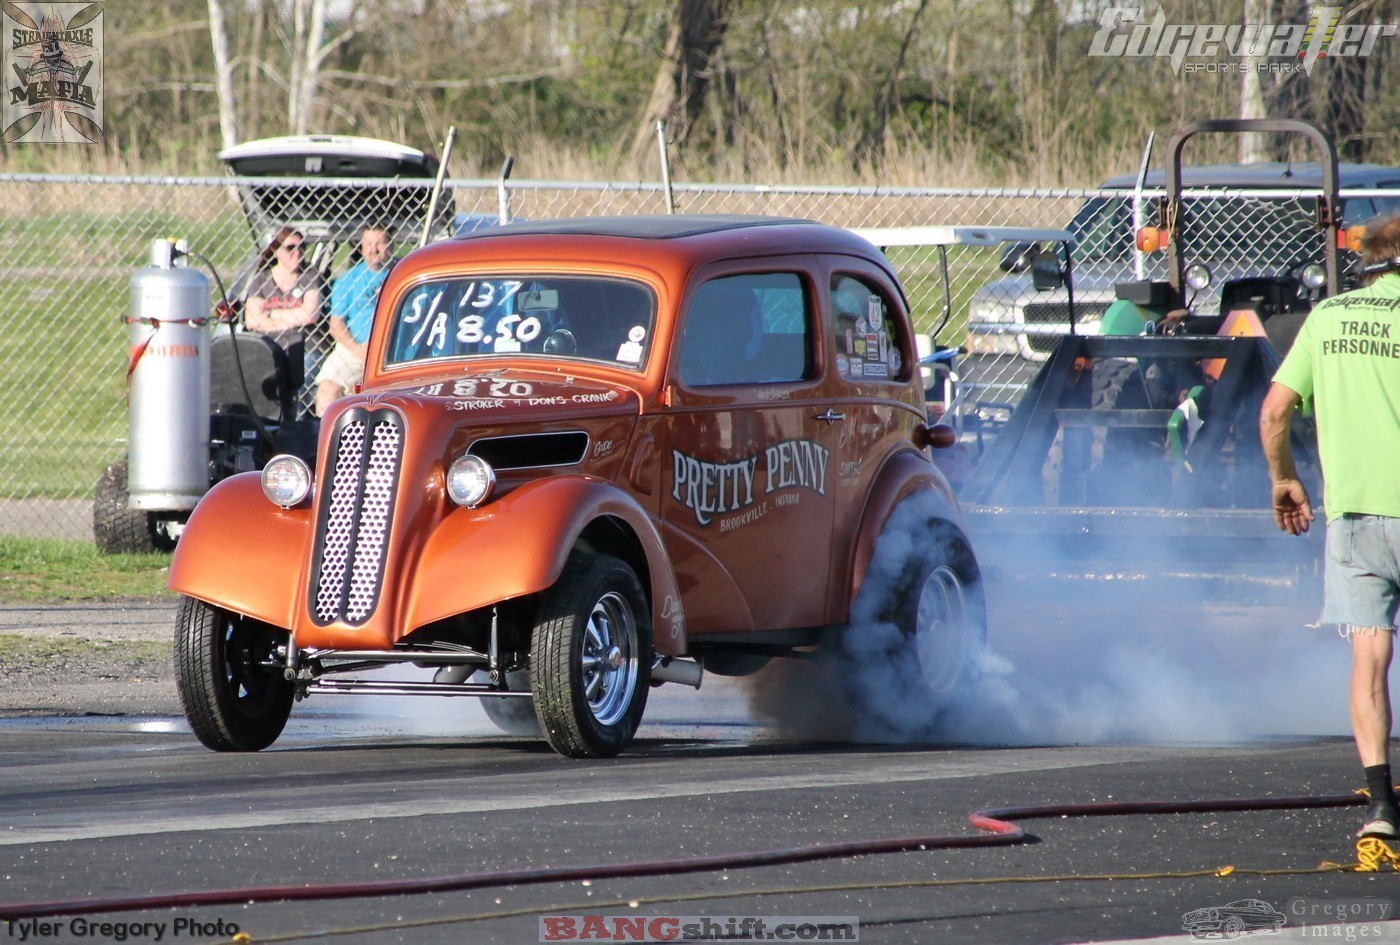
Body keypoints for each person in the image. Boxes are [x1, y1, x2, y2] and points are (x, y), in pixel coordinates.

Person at [1260, 212, 1400, 841]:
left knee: (1370, 657)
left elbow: (1273, 412)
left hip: (1355, 520)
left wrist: (1285, 478)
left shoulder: (1327, 319)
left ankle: (1380, 808)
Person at [315, 225, 394, 416]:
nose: (373, 249)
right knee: (327, 390)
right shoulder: (348, 280)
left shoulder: (403, 274)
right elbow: (336, 324)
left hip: (393, 352)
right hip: (354, 349)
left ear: (391, 245)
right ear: (361, 247)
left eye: (380, 243)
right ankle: (324, 440)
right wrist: (359, 350)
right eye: (368, 244)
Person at [244, 226, 322, 359]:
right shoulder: (262, 279)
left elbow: (310, 315)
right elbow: (252, 320)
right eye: (290, 248)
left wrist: (270, 314)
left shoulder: (310, 276)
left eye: (301, 247)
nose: (297, 253)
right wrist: (292, 322)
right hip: (268, 347)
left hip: (305, 348)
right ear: (276, 251)